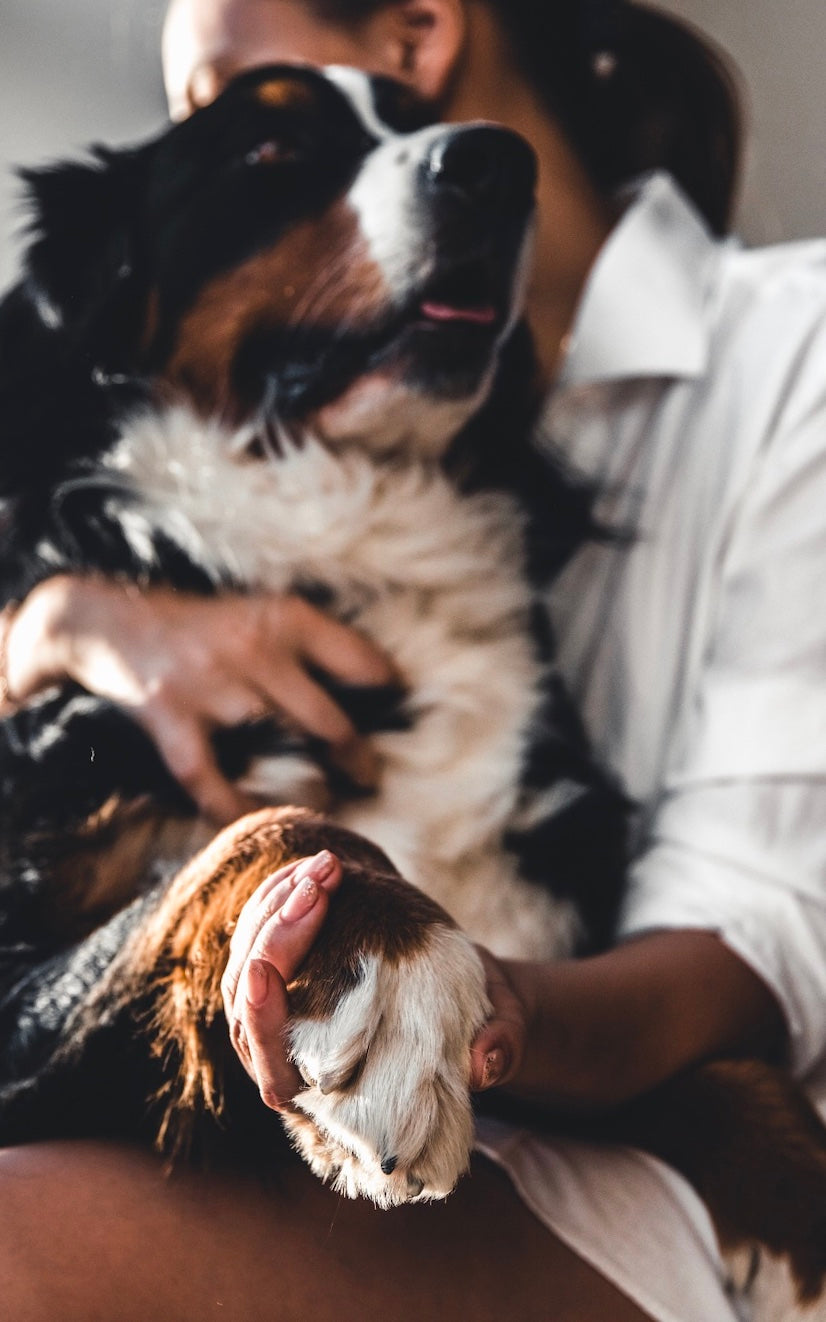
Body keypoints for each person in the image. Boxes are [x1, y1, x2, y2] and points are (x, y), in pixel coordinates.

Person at [2, 1, 826, 1318]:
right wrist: (56, 623)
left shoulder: (788, 350)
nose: (188, 143)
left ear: (417, 37)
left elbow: (752, 936)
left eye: (217, 103)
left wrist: (467, 998)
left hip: (573, 1135)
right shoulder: (114, 582)